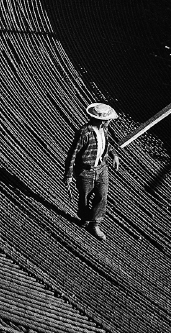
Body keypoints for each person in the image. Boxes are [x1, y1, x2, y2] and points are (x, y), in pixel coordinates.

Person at [63, 103, 121, 241]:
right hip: (85, 171)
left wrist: (114, 155)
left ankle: (95, 224)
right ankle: (84, 217)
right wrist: (69, 174)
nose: (110, 121)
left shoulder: (104, 130)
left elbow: (107, 144)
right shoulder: (84, 133)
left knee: (102, 196)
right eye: (108, 119)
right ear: (101, 120)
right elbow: (73, 154)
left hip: (102, 169)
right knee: (84, 197)